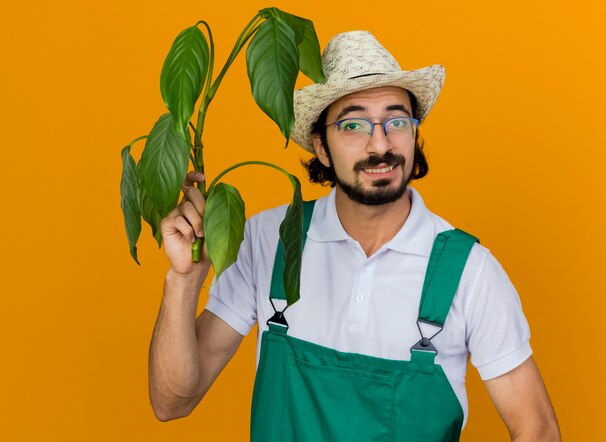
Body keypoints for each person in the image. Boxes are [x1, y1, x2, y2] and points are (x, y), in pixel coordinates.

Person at [148, 31, 561, 441]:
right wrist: (183, 281)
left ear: (414, 133)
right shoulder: (269, 239)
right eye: (353, 124)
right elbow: (172, 402)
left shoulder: (469, 271)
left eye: (397, 121)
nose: (380, 144)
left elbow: (537, 429)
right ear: (321, 148)